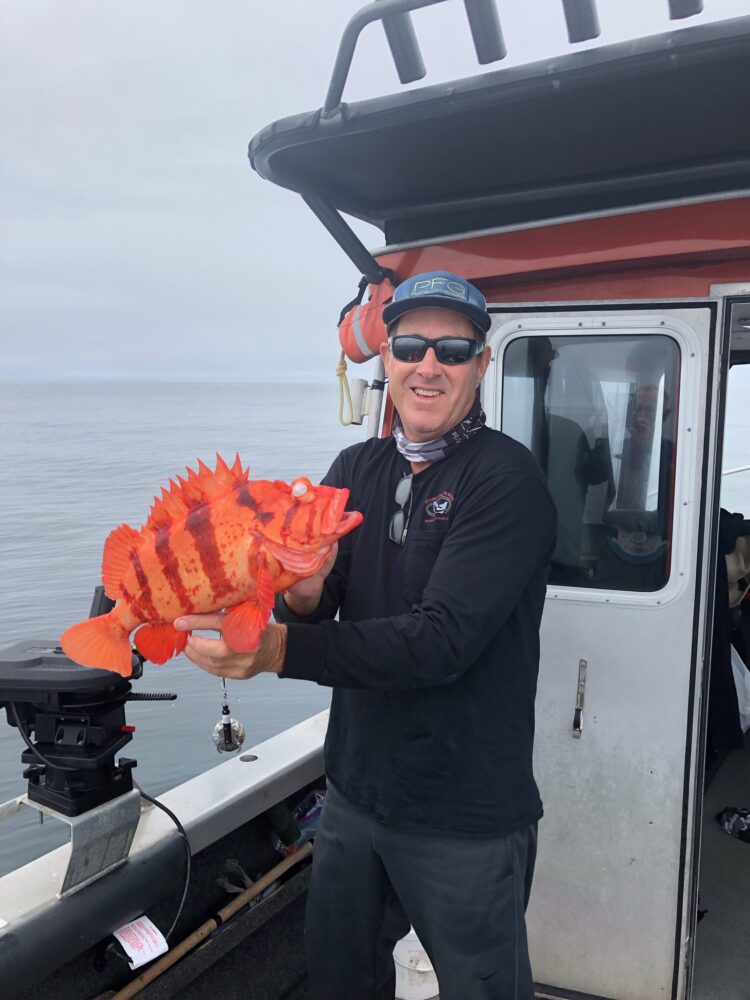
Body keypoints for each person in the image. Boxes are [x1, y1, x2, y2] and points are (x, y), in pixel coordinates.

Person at [175, 270, 557, 1000]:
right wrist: (307, 597)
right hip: (354, 795)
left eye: (452, 349)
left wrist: (280, 650)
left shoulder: (507, 480)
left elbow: (439, 642)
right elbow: (317, 605)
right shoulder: (354, 467)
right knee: (341, 980)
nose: (428, 365)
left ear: (482, 362)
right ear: (386, 356)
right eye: (411, 344)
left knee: (487, 989)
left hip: (464, 815)